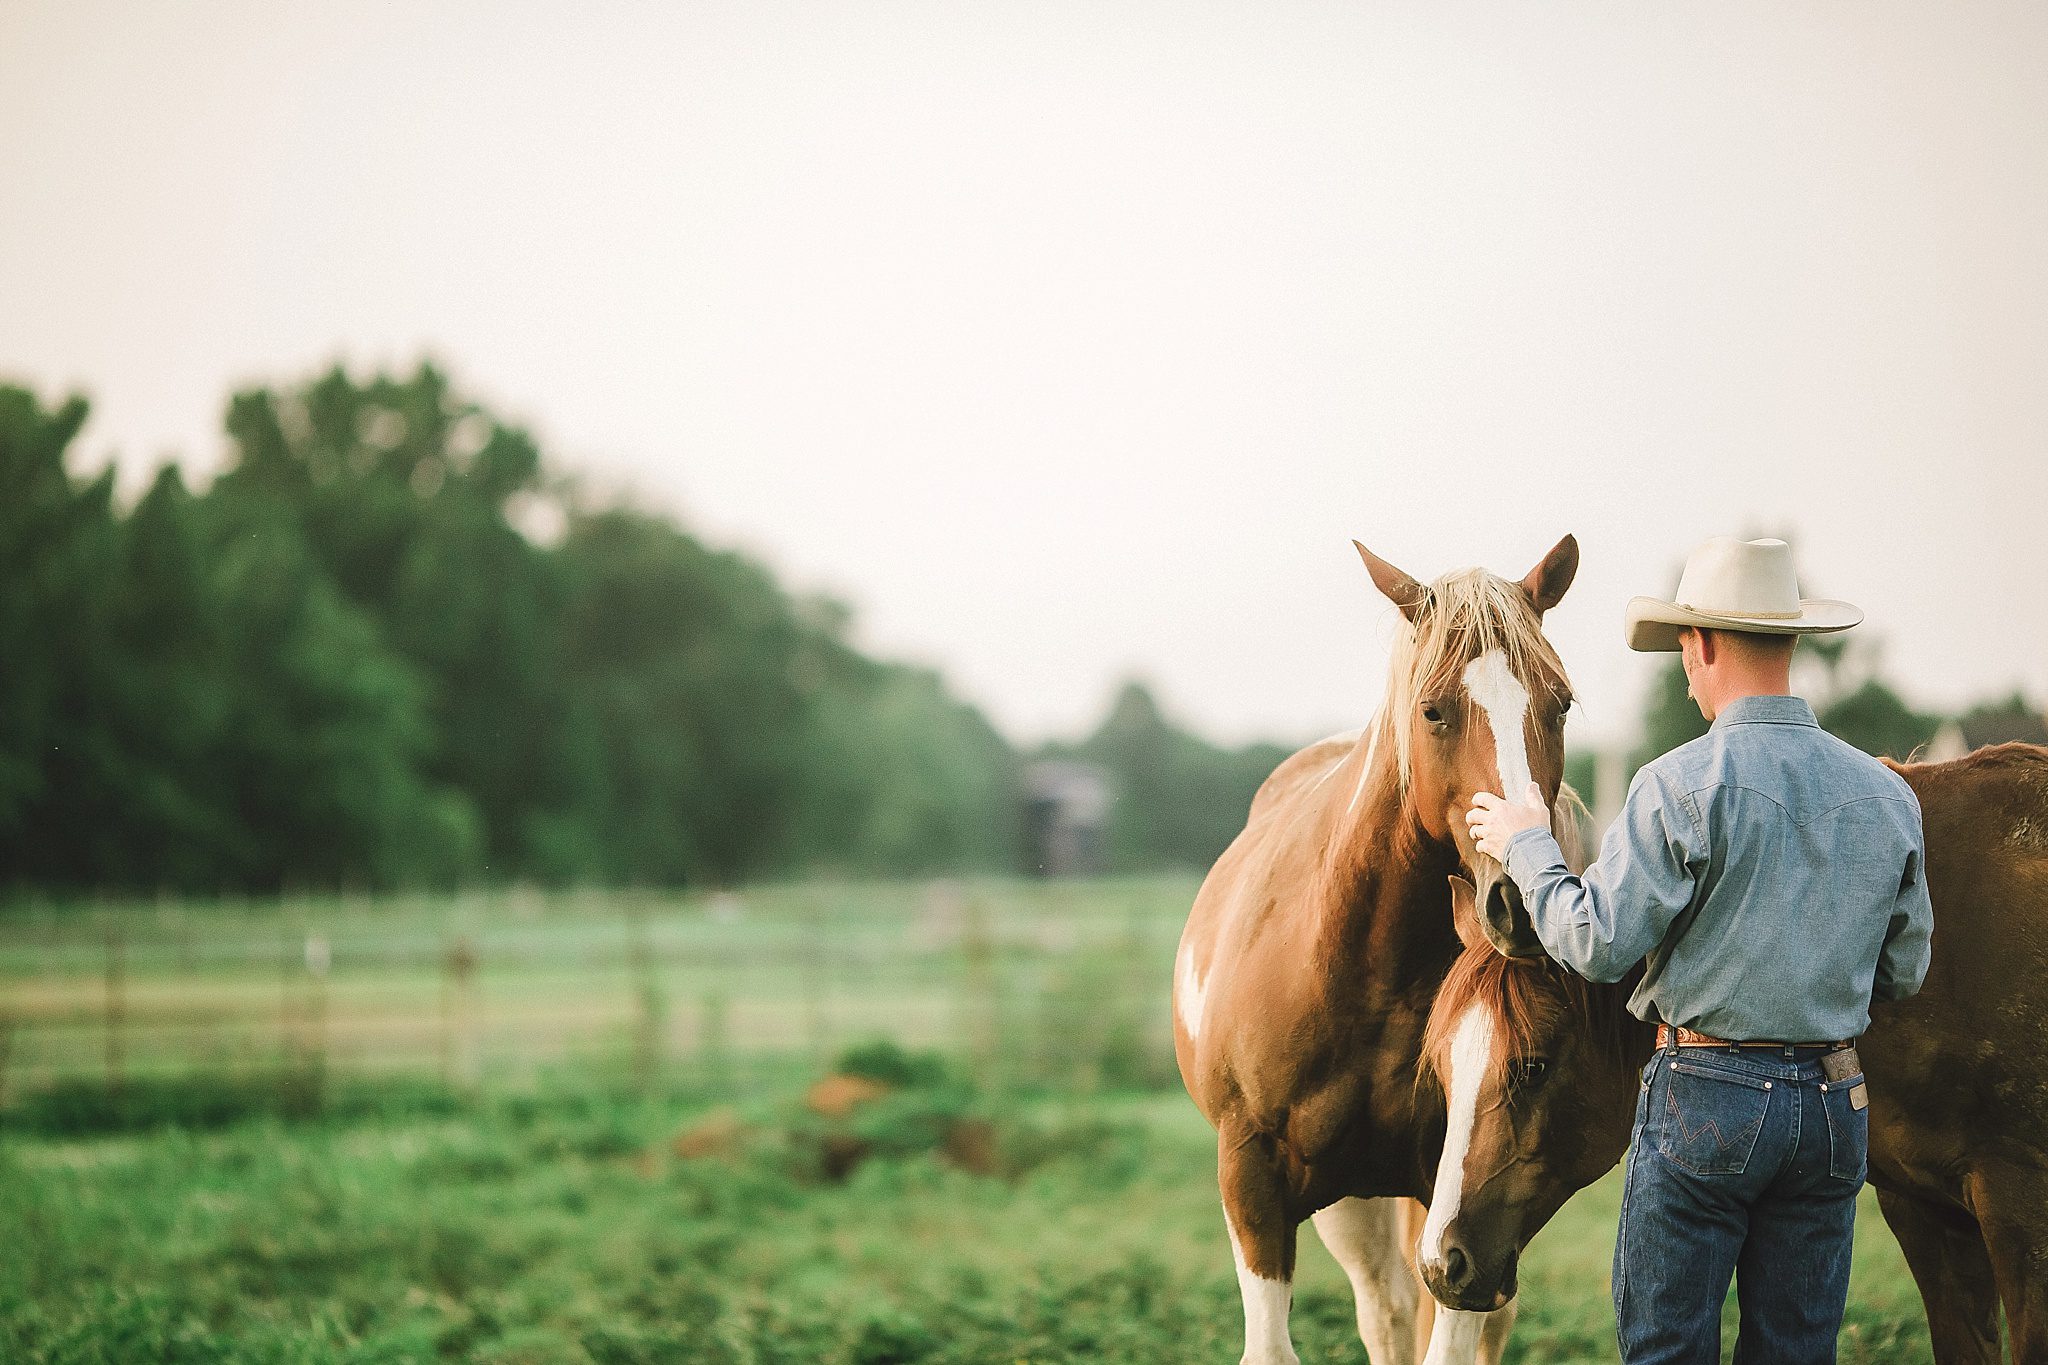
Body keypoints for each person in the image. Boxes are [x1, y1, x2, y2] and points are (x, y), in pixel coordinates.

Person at [1464, 535, 1933, 1365]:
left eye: (1684, 642)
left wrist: (1530, 841)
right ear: (1790, 641)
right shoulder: (1889, 795)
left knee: (1668, 1349)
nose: (1684, 663)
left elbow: (1595, 943)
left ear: (1704, 642)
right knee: (1796, 1351)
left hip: (1706, 1096)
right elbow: (1904, 969)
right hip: (1833, 1104)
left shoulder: (1677, 785)